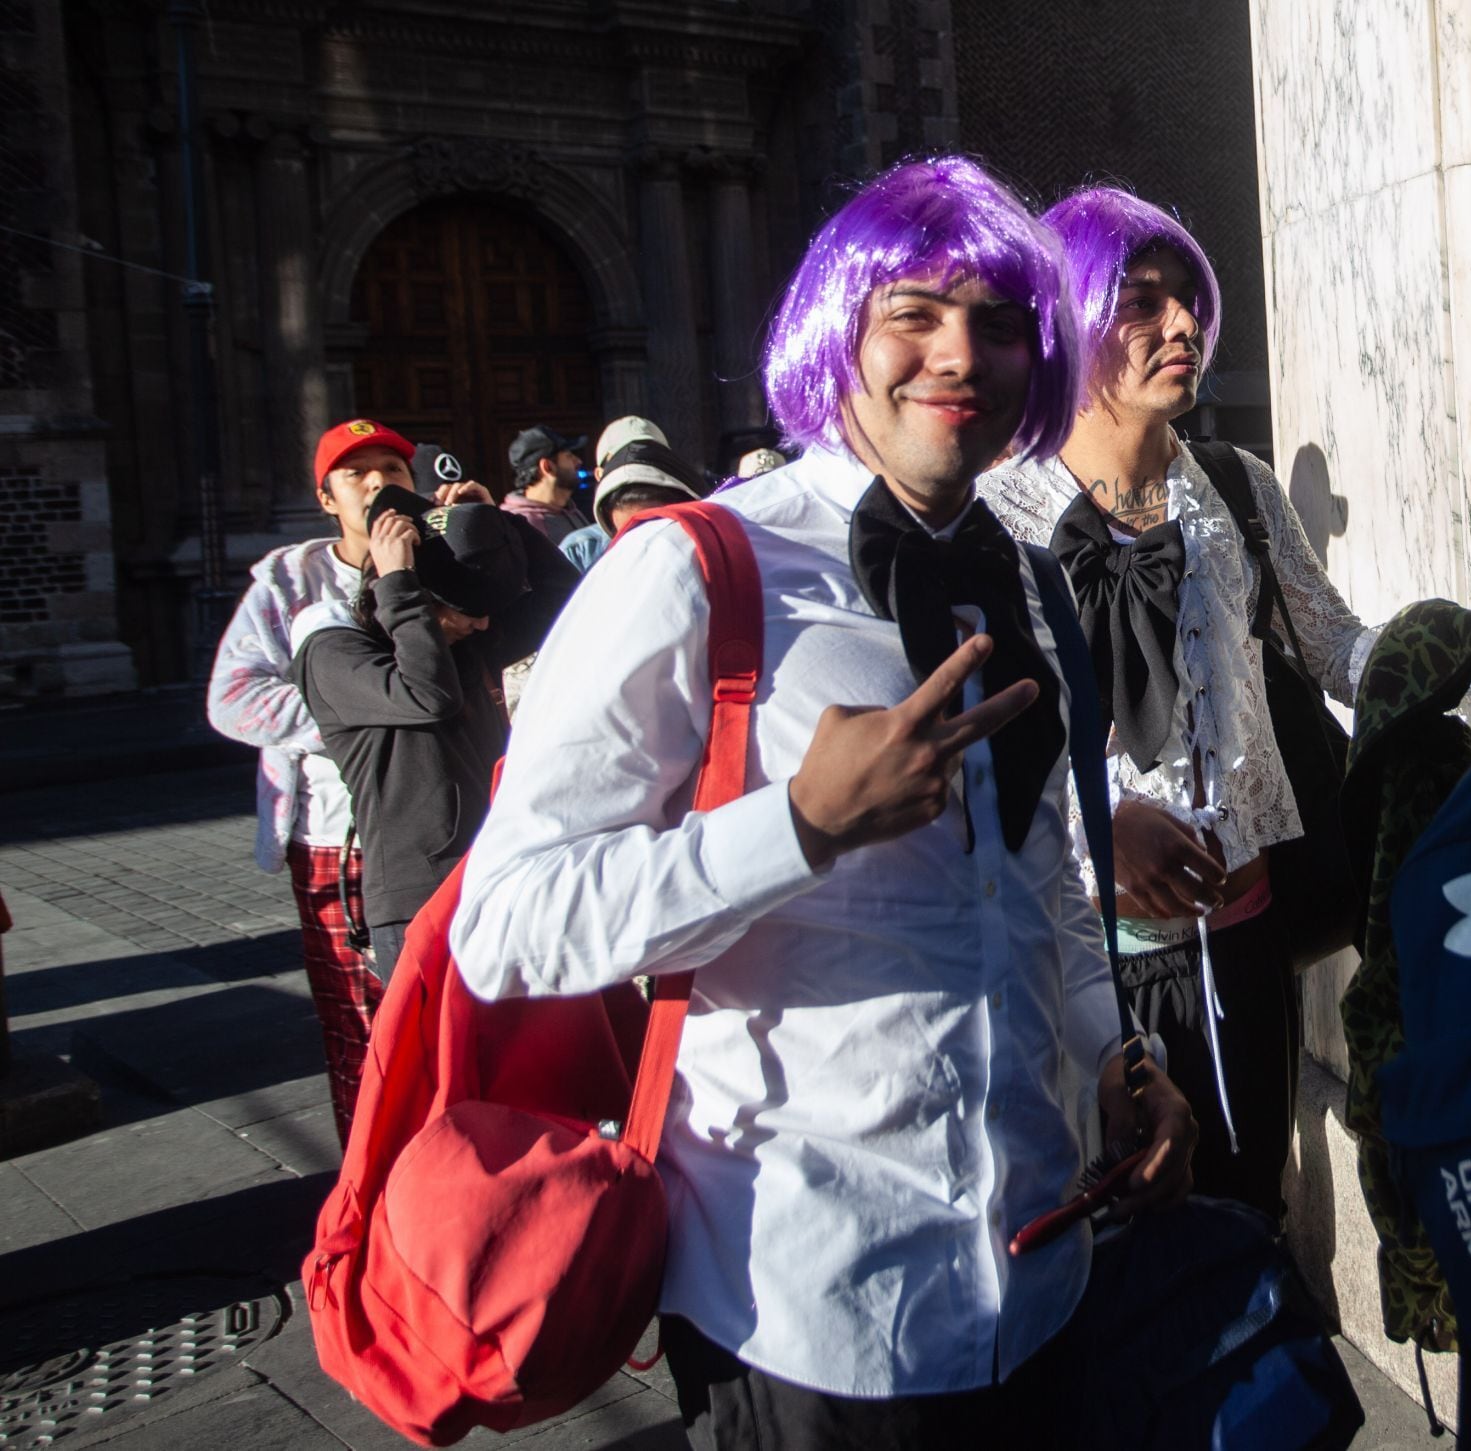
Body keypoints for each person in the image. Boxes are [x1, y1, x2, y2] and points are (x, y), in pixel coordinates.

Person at [448, 156, 1198, 1450]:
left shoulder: (1033, 583)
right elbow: (504, 925)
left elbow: (1043, 879)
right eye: (913, 311)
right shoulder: (693, 571)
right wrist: (792, 825)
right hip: (804, 1305)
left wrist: (1117, 1048)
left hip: (1042, 1278)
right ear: (837, 327)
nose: (957, 351)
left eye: (1001, 320)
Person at [979, 187, 1384, 1219]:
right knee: (1118, 1240)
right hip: (1080, 971)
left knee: (1249, 1208)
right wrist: (1097, 822)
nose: (1182, 325)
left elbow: (1333, 642)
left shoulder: (1237, 484)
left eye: (1188, 300)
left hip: (1246, 942)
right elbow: (966, 747)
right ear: (1069, 321)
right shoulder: (994, 515)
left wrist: (1444, 660)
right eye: (1141, 302)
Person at [207, 417, 482, 1143]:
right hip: (340, 830)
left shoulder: (440, 556)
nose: (377, 482)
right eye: (356, 473)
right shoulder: (290, 582)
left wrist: (489, 540)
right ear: (327, 498)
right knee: (364, 1032)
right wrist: (353, 714)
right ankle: (371, 1206)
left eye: (391, 467)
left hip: (447, 822)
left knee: (458, 1027)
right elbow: (233, 696)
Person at [292, 473, 577, 979]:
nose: (484, 625)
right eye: (466, 610)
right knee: (433, 1060)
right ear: (417, 594)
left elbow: (566, 599)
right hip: (418, 900)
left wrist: (502, 527)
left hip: (497, 878)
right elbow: (430, 697)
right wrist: (396, 586)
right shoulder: (334, 654)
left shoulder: (460, 644)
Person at [558, 417, 707, 573]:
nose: (633, 463)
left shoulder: (695, 535)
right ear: (600, 474)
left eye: (650, 455)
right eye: (617, 461)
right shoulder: (580, 551)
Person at [501, 425, 591, 545]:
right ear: (547, 467)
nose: (579, 461)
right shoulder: (520, 525)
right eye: (569, 456)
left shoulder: (571, 510)